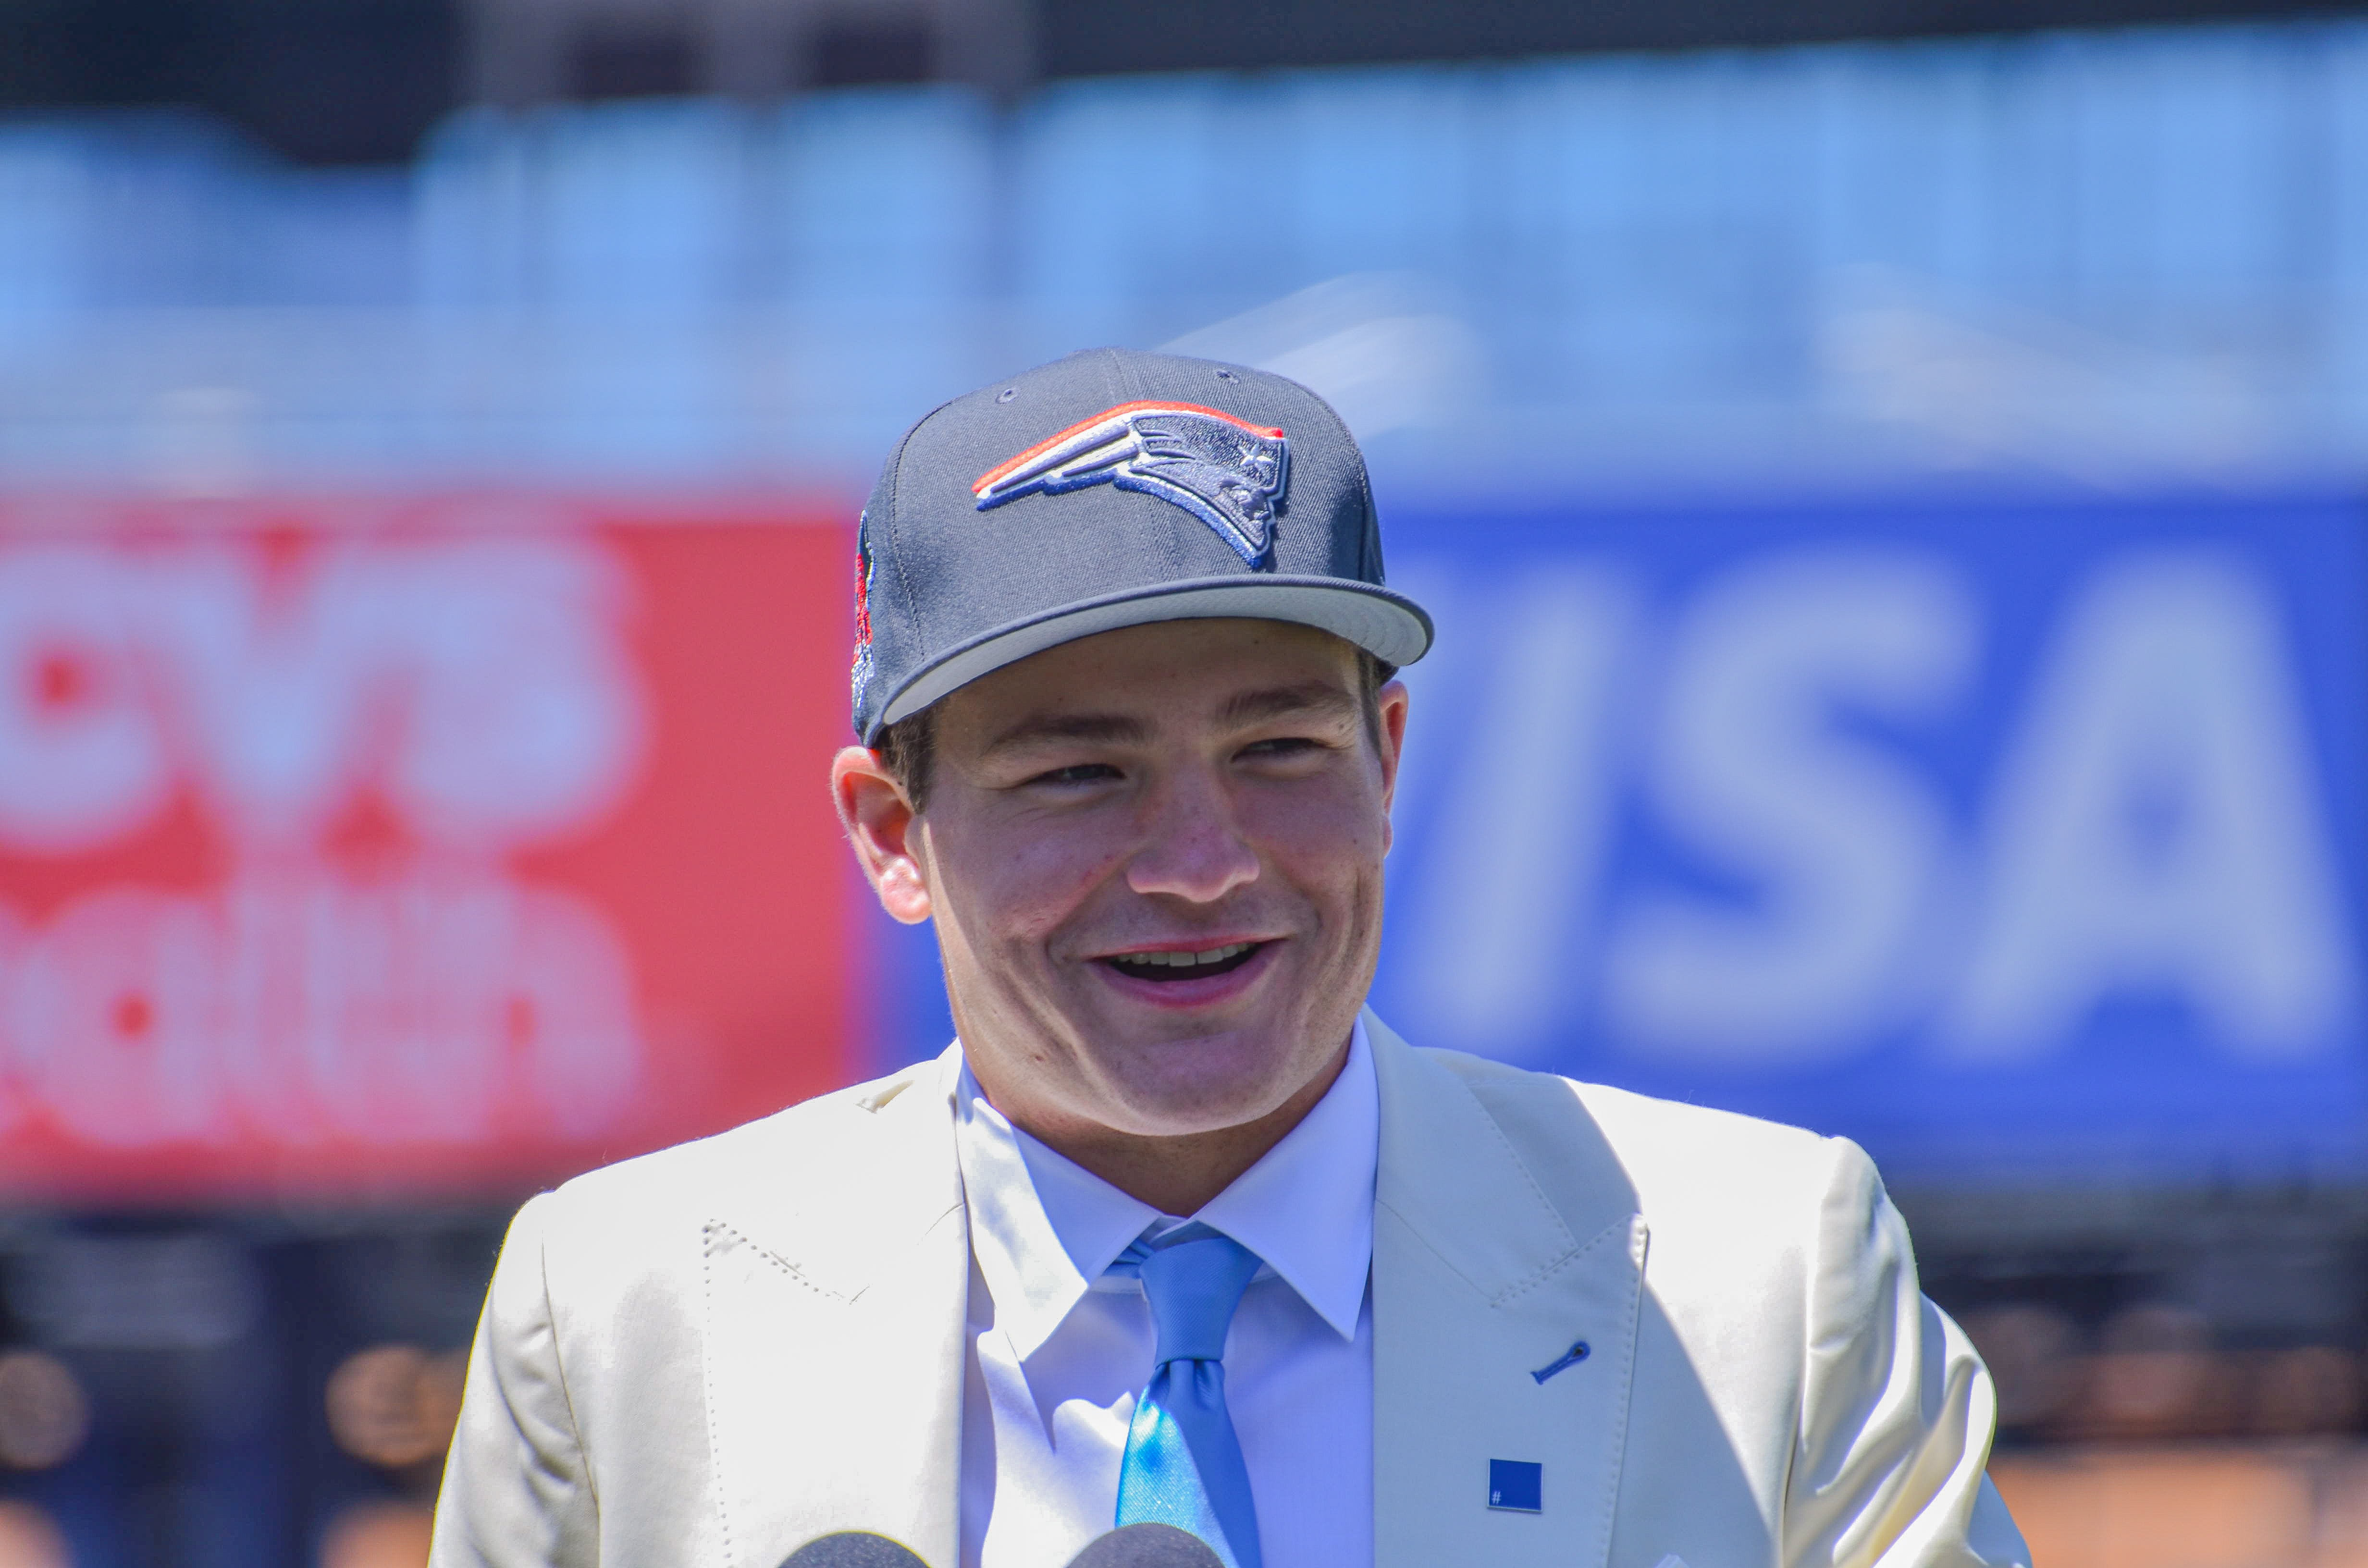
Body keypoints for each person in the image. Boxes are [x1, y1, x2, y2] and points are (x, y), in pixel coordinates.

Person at [429, 349, 2030, 1568]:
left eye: (1276, 750)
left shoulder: (1769, 1280)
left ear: (1387, 764)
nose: (1202, 865)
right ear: (891, 834)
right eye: (1079, 775)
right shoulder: (621, 1314)